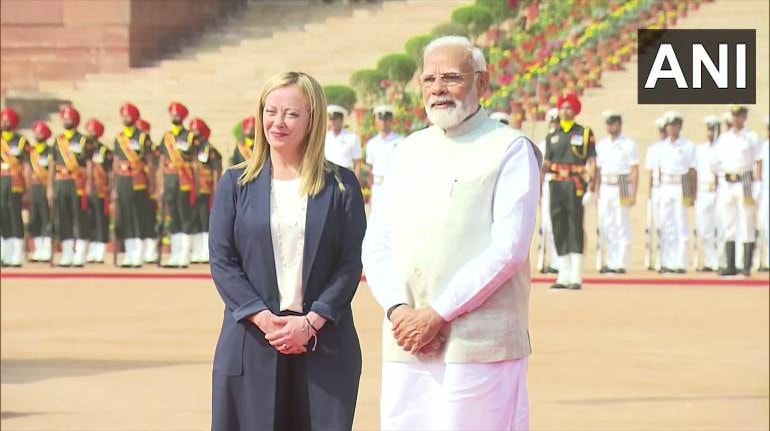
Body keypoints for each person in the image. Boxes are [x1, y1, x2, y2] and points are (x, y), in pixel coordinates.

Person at [363, 35, 540, 431]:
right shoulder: (406, 151)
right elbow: (377, 244)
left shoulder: (509, 147)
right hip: (407, 340)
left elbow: (509, 249)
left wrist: (438, 314)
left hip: (477, 344)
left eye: (451, 78)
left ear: (483, 83)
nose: (438, 89)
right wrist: (400, 312)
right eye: (429, 79)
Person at [209, 71, 365, 431]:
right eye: (270, 111)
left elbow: (349, 263)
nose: (277, 122)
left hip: (322, 345)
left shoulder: (341, 186)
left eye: (291, 114)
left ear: (313, 119)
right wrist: (265, 319)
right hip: (252, 340)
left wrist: (311, 322)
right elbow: (222, 260)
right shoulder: (236, 183)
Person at [544, 93, 596, 289]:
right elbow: (547, 163)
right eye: (562, 107)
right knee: (558, 226)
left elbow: (592, 161)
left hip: (575, 185)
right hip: (556, 184)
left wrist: (591, 187)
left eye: (569, 108)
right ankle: (562, 275)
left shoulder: (584, 133)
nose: (565, 111)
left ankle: (576, 275)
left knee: (575, 226)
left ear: (575, 110)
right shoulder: (552, 137)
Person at [713, 105, 761, 276]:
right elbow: (717, 161)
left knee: (747, 223)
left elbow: (758, 162)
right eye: (733, 115)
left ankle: (746, 265)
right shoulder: (724, 138)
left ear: (745, 117)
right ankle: (731, 264)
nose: (736, 118)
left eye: (739, 115)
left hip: (745, 182)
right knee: (729, 224)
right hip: (727, 182)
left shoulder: (752, 138)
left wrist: (756, 187)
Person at [647, 111, 696, 274]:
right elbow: (656, 171)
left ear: (680, 127)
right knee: (666, 224)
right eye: (669, 125)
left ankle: (680, 262)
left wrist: (692, 194)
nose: (672, 128)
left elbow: (692, 171)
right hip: (665, 186)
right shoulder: (660, 147)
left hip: (681, 186)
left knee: (681, 224)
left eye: (675, 125)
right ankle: (667, 261)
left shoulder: (688, 146)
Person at [595, 111, 639, 273]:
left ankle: (621, 262)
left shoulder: (629, 144)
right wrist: (596, 190)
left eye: (614, 123)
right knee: (607, 224)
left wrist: (633, 192)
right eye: (608, 123)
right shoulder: (601, 145)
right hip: (606, 185)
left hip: (622, 184)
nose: (611, 127)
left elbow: (634, 169)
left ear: (620, 125)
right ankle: (611, 261)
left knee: (622, 224)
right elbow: (597, 170)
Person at [50, 105, 93, 267]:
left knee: (79, 216)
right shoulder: (58, 141)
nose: (65, 120)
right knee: (63, 217)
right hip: (61, 183)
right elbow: (53, 164)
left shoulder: (83, 140)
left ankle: (80, 252)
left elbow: (89, 164)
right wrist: (50, 186)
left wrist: (89, 183)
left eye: (69, 117)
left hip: (78, 183)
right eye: (64, 117)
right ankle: (67, 253)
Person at [112, 103, 152, 267]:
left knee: (137, 217)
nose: (125, 118)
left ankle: (139, 254)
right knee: (126, 217)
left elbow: (149, 162)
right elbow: (115, 163)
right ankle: (129, 253)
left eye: (128, 115)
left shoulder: (142, 137)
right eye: (123, 115)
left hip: (138, 181)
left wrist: (152, 183)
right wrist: (114, 187)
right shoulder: (119, 138)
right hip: (122, 181)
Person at [159, 102, 198, 268]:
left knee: (185, 217)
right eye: (172, 114)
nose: (174, 117)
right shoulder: (166, 137)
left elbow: (195, 162)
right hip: (170, 181)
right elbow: (161, 162)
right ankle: (175, 254)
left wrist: (196, 184)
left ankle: (184, 255)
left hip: (185, 182)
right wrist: (160, 185)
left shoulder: (190, 137)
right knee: (173, 217)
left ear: (182, 117)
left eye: (176, 114)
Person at [188, 118, 221, 264]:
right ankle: (196, 250)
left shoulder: (209, 149)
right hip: (193, 189)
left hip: (206, 190)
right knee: (194, 219)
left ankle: (206, 251)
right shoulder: (191, 149)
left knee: (205, 219)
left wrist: (216, 188)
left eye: (197, 132)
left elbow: (216, 170)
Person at [1, 107, 28, 267]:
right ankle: (4, 253)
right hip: (0, 181)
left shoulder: (21, 141)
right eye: (3, 119)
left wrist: (28, 188)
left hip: (15, 182)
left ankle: (17, 255)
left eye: (7, 120)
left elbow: (26, 166)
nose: (5, 122)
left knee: (14, 216)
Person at [694, 116, 721, 272]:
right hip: (703, 191)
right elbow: (695, 172)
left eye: (714, 129)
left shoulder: (723, 147)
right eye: (709, 129)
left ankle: (721, 260)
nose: (711, 132)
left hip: (717, 191)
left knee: (720, 228)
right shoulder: (700, 149)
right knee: (705, 229)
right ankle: (711, 261)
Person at [365, 105, 403, 213]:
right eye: (380, 119)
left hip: (394, 186)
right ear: (376, 121)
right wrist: (372, 190)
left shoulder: (400, 141)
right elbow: (369, 168)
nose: (383, 123)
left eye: (386, 119)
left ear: (392, 121)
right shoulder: (371, 144)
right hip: (377, 186)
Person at [84, 119, 113, 263]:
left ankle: (100, 250)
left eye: (93, 131)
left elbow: (110, 171)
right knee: (89, 219)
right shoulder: (82, 150)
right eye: (88, 130)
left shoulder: (104, 151)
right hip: (86, 190)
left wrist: (111, 188)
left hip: (101, 189)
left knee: (101, 219)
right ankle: (91, 249)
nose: (90, 133)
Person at [25, 121, 53, 262]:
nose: (37, 134)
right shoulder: (31, 151)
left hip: (45, 186)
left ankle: (47, 250)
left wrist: (50, 188)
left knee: (45, 217)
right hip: (34, 187)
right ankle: (38, 249)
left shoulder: (50, 151)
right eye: (35, 132)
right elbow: (28, 170)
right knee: (34, 218)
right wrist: (27, 188)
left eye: (40, 132)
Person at [536, 108, 560, 273]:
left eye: (556, 122)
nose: (554, 125)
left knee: (556, 224)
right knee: (545, 225)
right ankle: (545, 259)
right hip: (546, 185)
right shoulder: (543, 144)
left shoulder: (564, 140)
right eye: (552, 122)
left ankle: (556, 261)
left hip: (559, 182)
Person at [135, 118, 160, 264]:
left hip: (150, 187)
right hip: (139, 187)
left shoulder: (153, 151)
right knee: (141, 219)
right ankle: (142, 250)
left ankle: (151, 250)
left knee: (151, 219)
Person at [324, 104, 361, 171]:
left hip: (345, 175)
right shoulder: (325, 137)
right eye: (331, 119)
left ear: (341, 120)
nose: (332, 122)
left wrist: (356, 179)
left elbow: (357, 162)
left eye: (335, 119)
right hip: (328, 174)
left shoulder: (352, 138)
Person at [759, 116, 769, 272]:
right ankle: (768, 261)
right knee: (766, 225)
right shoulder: (765, 146)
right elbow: (758, 168)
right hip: (766, 190)